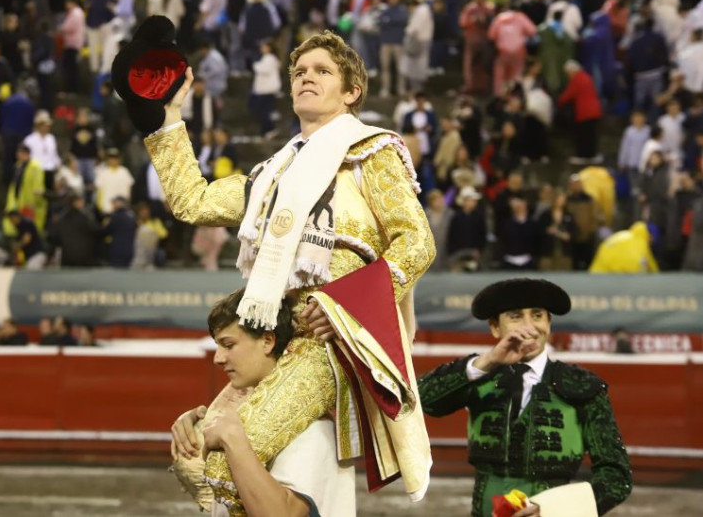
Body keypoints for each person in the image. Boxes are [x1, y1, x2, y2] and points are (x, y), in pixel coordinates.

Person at [141, 30, 434, 508]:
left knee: (223, 459)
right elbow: (191, 202)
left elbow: (417, 243)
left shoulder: (372, 153)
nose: (307, 79)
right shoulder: (271, 174)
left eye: (322, 72)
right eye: (299, 72)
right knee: (192, 454)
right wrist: (169, 116)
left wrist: (346, 308)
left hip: (330, 340)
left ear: (351, 92)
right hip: (273, 334)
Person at [417, 279, 633, 517]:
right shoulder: (481, 375)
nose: (529, 326)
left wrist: (557, 509)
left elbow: (616, 475)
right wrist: (486, 361)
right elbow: (421, 401)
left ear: (549, 324)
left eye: (538, 315)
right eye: (516, 316)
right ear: (495, 327)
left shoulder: (583, 385)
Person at [171, 290, 355, 517]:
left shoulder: (312, 429)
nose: (218, 358)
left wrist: (231, 437)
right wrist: (197, 432)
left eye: (228, 345)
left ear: (268, 341)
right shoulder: (246, 418)